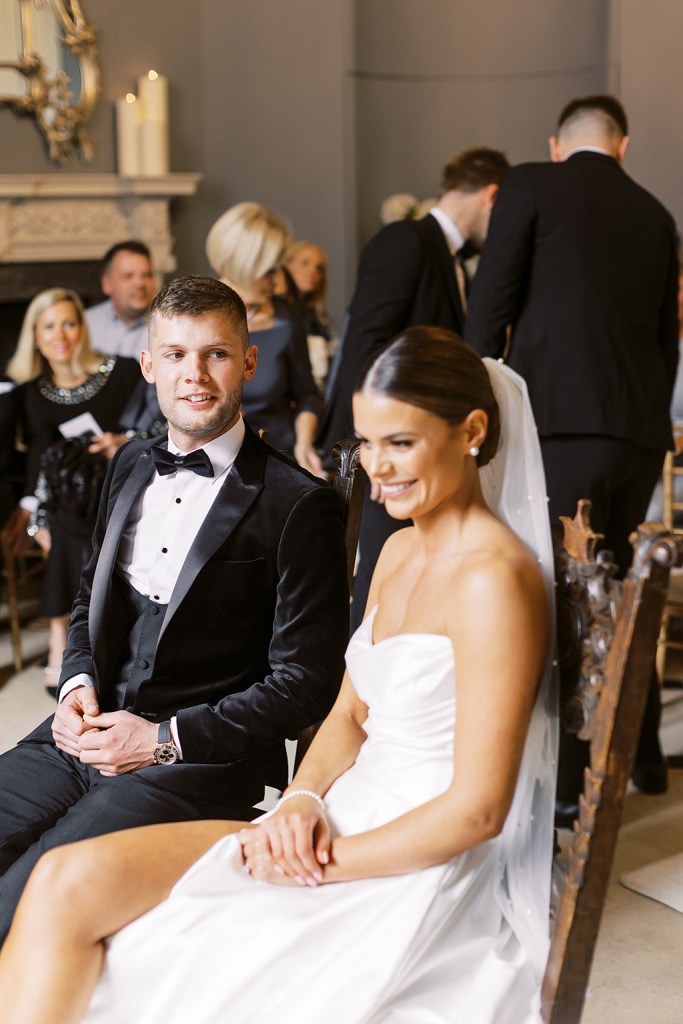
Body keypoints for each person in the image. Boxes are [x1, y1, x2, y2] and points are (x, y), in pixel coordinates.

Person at [0, 327, 559, 1024]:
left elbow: (477, 811)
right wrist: (299, 804)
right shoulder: (398, 552)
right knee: (61, 879)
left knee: (94, 919)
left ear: (471, 430)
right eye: (366, 442)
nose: (376, 468)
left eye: (400, 442)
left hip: (408, 850)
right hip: (330, 810)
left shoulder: (493, 581)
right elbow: (349, 715)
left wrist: (319, 859)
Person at [0, 275, 349, 945]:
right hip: (84, 732)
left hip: (194, 763)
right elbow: (85, 602)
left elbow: (305, 687)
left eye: (216, 353)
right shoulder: (129, 464)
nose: (196, 375)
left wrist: (160, 740)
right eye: (177, 354)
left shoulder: (298, 503)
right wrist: (75, 685)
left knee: (34, 892)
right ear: (148, 364)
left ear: (248, 361)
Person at [465, 94, 679, 807]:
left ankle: (562, 780)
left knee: (552, 590)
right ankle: (641, 756)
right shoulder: (655, 214)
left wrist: (466, 404)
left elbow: (489, 303)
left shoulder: (531, 182)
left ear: (557, 144)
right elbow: (664, 341)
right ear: (622, 146)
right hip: (636, 436)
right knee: (613, 590)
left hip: (557, 424)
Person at [318, 146, 510, 627]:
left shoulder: (447, 257)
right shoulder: (405, 239)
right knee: (382, 594)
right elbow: (366, 344)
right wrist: (379, 448)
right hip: (396, 451)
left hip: (419, 448)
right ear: (493, 196)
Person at [3, 288, 151, 690]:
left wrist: (126, 439)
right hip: (73, 503)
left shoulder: (121, 373)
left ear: (82, 328)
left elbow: (159, 424)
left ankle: (64, 641)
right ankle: (81, 640)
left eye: (69, 323)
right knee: (67, 521)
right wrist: (37, 517)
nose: (60, 335)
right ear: (35, 336)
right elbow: (40, 461)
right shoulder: (33, 393)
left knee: (79, 522)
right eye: (48, 326)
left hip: (127, 485)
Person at [205, 202, 323, 474]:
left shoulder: (286, 319)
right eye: (269, 270)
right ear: (244, 265)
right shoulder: (197, 319)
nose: (278, 279)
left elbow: (307, 395)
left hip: (279, 457)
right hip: (216, 460)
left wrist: (304, 444)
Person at [85, 240, 156, 360]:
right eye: (128, 276)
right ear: (106, 284)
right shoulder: (85, 325)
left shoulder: (170, 325)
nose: (140, 284)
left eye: (146, 275)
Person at [284, 240, 334, 391]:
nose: (313, 271)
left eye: (319, 268)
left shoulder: (319, 318)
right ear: (287, 266)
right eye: (305, 263)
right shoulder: (279, 315)